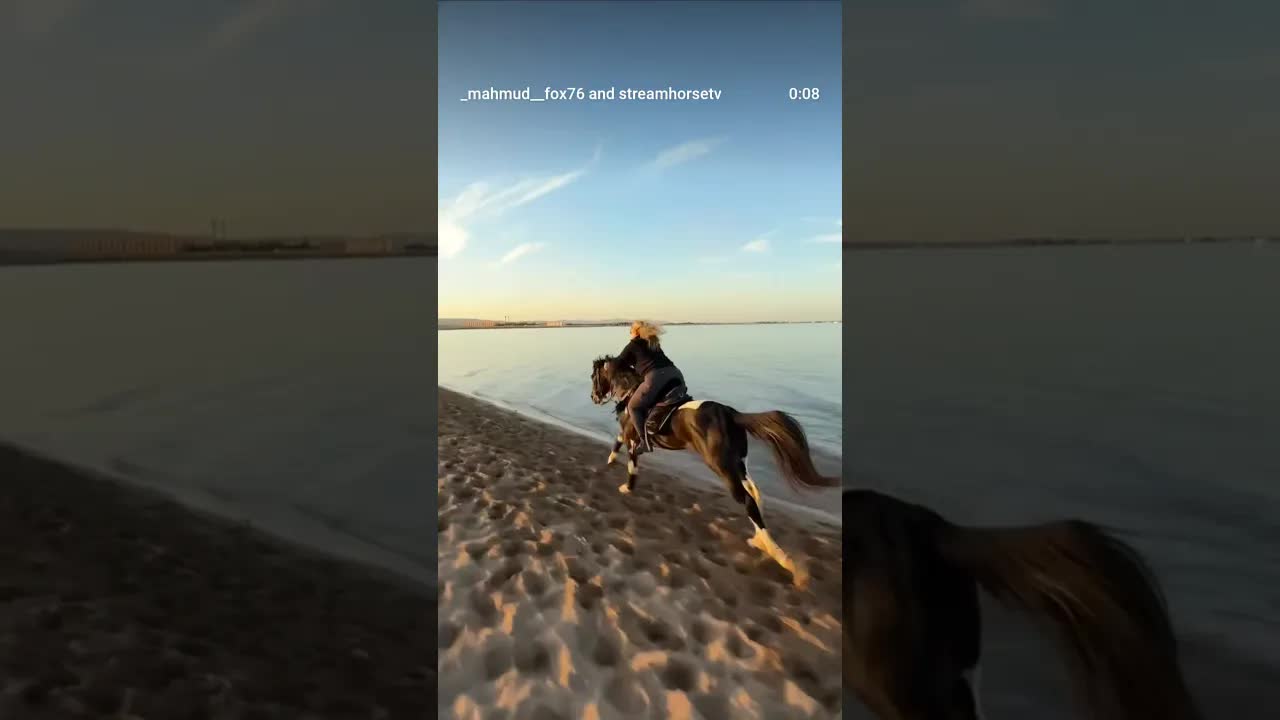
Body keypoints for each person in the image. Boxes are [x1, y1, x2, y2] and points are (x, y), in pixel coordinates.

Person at [616, 320, 684, 454]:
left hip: (656, 377)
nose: (629, 332)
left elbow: (618, 362)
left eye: (630, 329)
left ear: (636, 332)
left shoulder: (633, 344)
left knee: (632, 407)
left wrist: (608, 365)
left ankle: (644, 442)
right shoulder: (653, 343)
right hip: (676, 374)